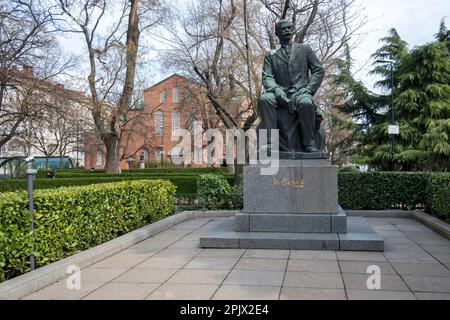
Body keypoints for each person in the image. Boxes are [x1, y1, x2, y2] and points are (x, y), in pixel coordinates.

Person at [258, 19, 325, 153]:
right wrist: (276, 89)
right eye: (283, 29)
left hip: (300, 93)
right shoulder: (271, 55)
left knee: (306, 103)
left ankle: (309, 142)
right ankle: (271, 142)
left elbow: (319, 70)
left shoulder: (305, 49)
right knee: (265, 99)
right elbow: (267, 76)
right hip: (279, 93)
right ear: (277, 33)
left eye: (289, 28)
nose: (287, 30)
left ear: (293, 30)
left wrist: (309, 89)